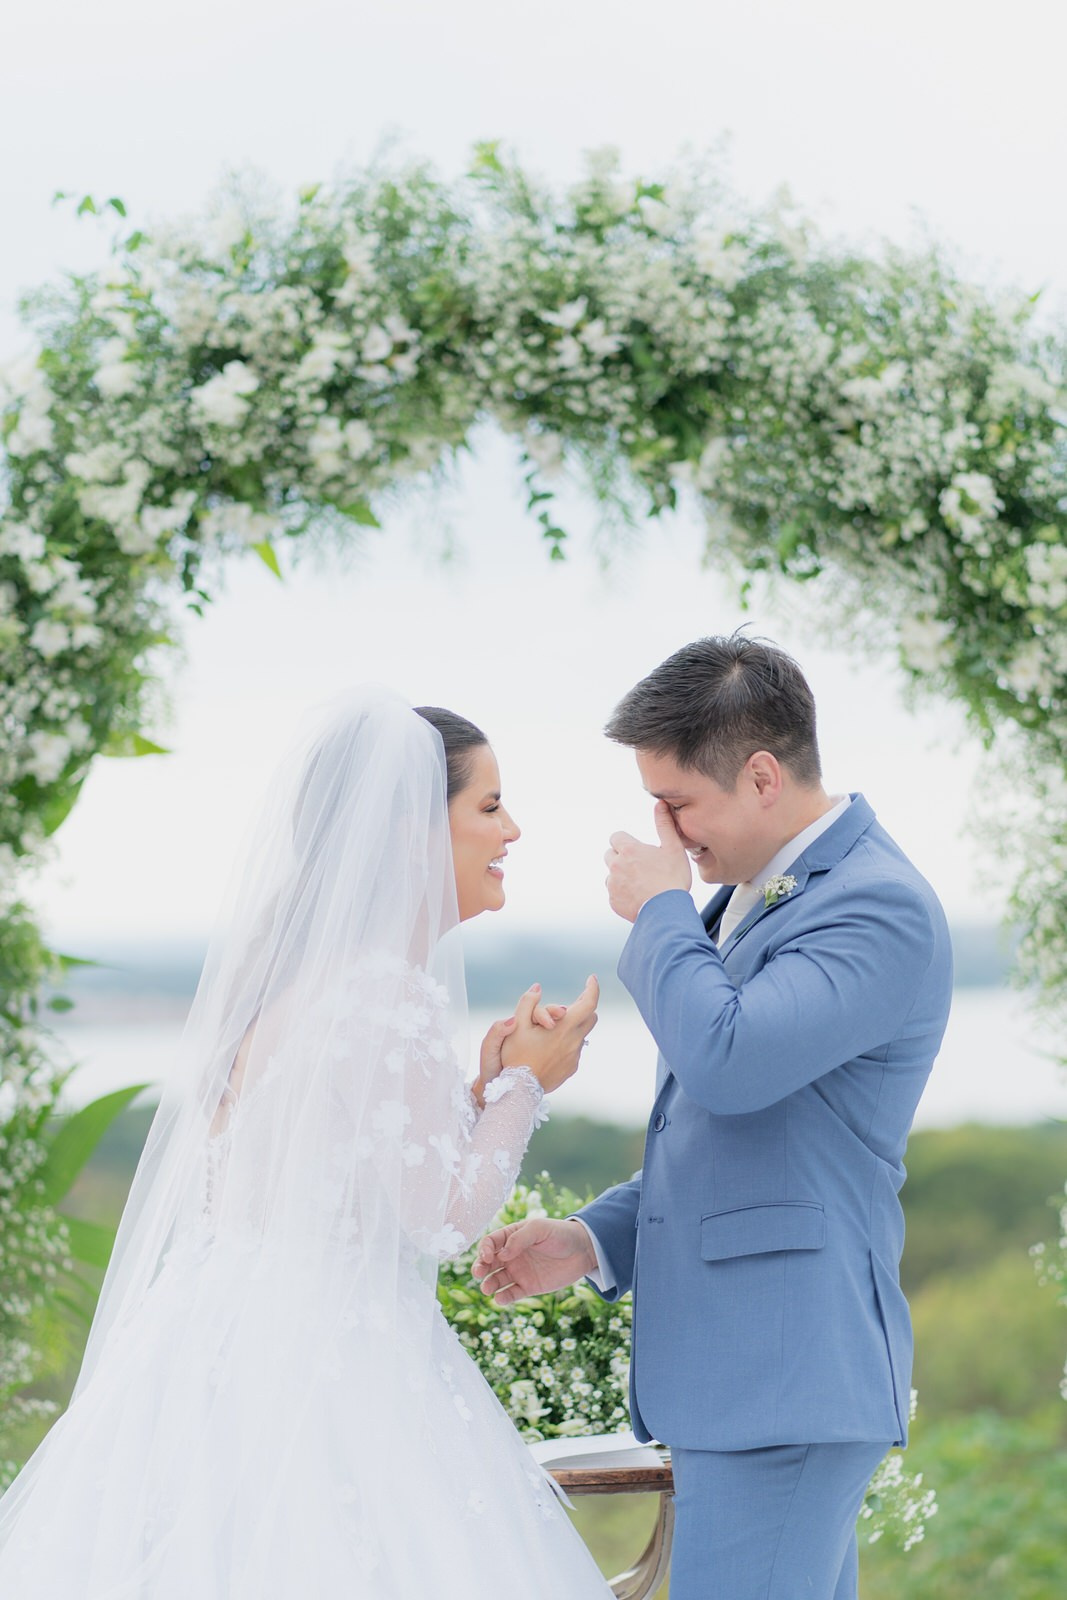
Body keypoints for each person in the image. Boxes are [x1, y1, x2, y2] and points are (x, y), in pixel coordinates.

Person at [0, 688, 610, 1599]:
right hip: (330, 1373)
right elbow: (442, 1220)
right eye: (487, 806)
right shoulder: (379, 992)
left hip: (223, 1343)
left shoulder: (301, 980)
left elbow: (340, 1165)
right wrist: (528, 1086)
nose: (512, 828)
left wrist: (477, 1092)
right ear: (410, 831)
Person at [475, 634, 953, 1600]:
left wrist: (657, 914)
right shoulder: (747, 897)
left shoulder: (877, 906)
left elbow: (728, 1064)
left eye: (677, 802)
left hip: (785, 1382)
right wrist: (590, 1240)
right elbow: (745, 1147)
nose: (663, 831)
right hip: (752, 1390)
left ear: (763, 776)